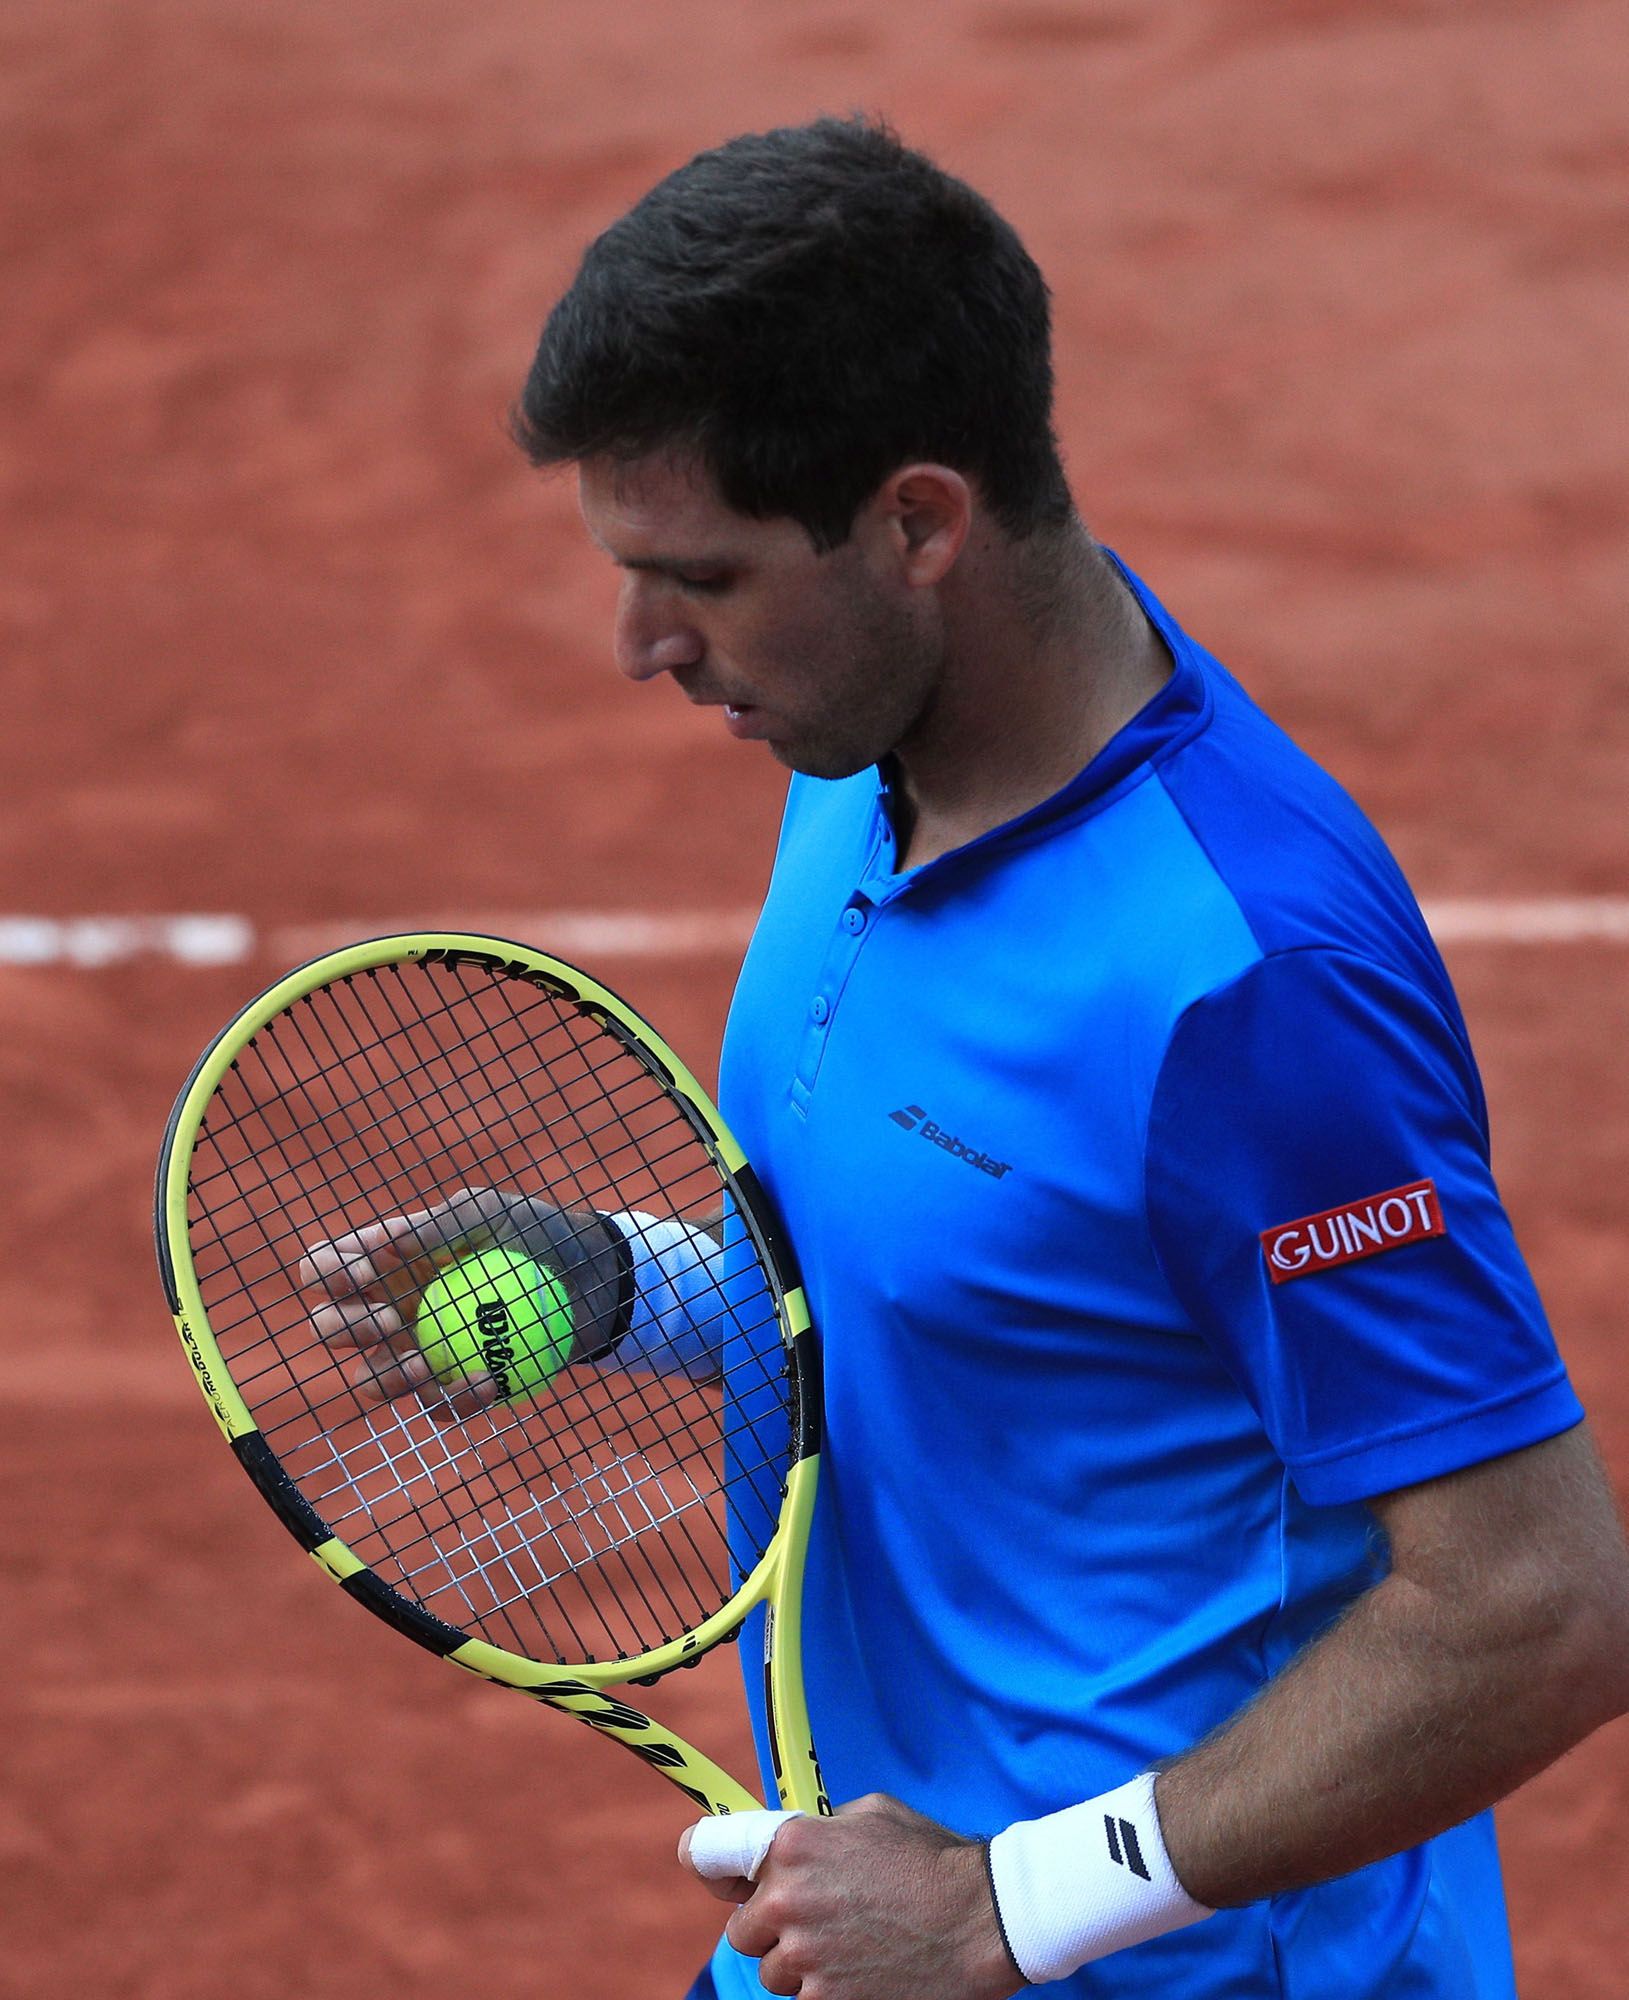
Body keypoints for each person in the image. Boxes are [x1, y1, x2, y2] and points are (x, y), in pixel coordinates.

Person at [316, 118, 1629, 1998]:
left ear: (918, 524)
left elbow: (1538, 1613)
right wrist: (633, 1281)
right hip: (871, 1921)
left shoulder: (1239, 988)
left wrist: (1005, 1907)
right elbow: (1008, 1275)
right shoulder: (865, 754)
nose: (635, 645)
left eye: (698, 574)